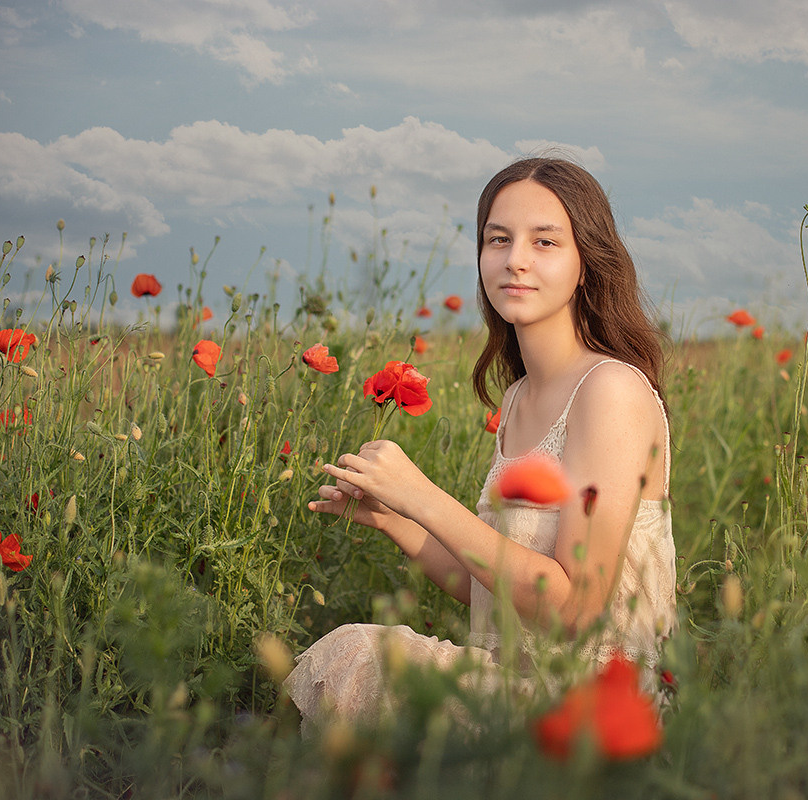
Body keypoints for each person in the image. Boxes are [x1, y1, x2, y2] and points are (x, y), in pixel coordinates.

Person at [285, 156, 676, 728]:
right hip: (514, 682)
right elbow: (489, 588)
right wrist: (395, 517)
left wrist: (423, 495)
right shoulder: (518, 397)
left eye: (545, 242)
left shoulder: (609, 390)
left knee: (355, 657)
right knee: (359, 660)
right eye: (499, 239)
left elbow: (575, 610)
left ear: (586, 264)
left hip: (594, 712)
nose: (515, 259)